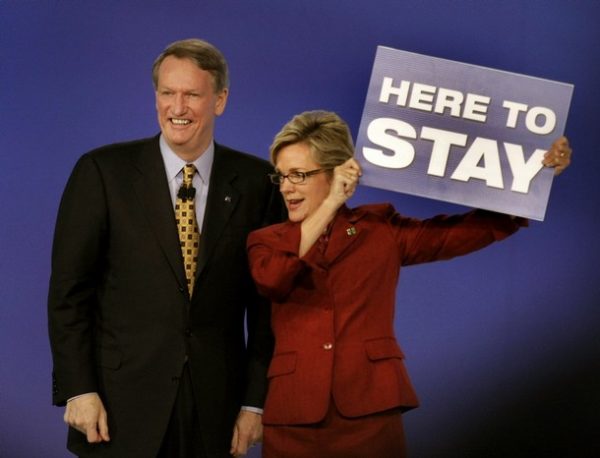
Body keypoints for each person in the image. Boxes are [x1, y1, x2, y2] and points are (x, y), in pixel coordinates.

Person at [246, 110, 571, 457]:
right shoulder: (266, 240)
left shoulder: (379, 229)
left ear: (336, 170)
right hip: (294, 417)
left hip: (370, 411)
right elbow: (273, 278)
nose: (285, 188)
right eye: (280, 177)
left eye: (298, 175)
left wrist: (536, 175)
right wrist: (329, 205)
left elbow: (458, 233)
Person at [48, 39, 284, 457]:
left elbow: (268, 306)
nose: (178, 107)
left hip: (216, 411)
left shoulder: (257, 183)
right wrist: (78, 389)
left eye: (192, 94)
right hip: (117, 407)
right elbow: (70, 294)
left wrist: (254, 401)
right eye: (167, 93)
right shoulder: (103, 173)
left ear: (220, 100)